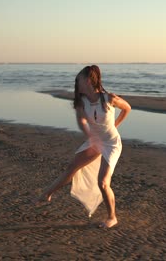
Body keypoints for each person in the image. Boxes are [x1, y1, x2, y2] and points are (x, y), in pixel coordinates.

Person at [35, 65, 131, 228]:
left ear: (87, 81)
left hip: (112, 144)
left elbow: (127, 108)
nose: (76, 84)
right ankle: (47, 194)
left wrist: (115, 125)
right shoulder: (82, 102)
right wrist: (91, 136)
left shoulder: (109, 99)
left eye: (78, 80)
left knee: (102, 182)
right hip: (95, 141)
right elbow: (82, 122)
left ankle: (112, 217)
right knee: (71, 168)